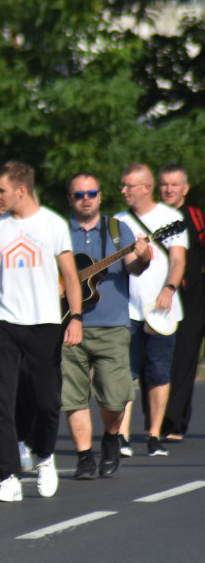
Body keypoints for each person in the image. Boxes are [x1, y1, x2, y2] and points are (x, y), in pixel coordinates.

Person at [0, 161, 82, 502]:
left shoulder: (53, 224)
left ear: (21, 190)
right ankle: (8, 478)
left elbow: (71, 276)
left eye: (0, 190)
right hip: (3, 325)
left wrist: (75, 317)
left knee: (47, 402)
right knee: (0, 403)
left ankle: (45, 458)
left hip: (45, 324)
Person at [61, 173, 150, 480]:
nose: (85, 198)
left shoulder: (117, 229)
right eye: (78, 194)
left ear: (99, 196)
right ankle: (84, 457)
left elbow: (135, 267)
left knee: (115, 396)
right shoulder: (59, 231)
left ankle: (111, 438)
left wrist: (144, 256)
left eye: (91, 192)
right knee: (73, 395)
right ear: (70, 199)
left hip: (112, 325)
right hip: (70, 325)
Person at [115, 163, 188, 457]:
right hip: (125, 308)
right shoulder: (117, 221)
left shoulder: (170, 218)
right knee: (124, 373)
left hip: (160, 309)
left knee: (158, 371)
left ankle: (154, 434)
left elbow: (178, 260)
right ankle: (121, 435)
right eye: (122, 185)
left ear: (146, 188)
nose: (123, 191)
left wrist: (169, 289)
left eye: (128, 186)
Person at [157, 163, 204, 442]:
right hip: (155, 298)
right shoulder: (150, 216)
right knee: (157, 359)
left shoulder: (196, 216)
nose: (169, 189)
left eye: (175, 184)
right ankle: (157, 419)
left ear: (185, 188)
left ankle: (174, 423)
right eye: (164, 184)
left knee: (184, 359)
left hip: (191, 297)